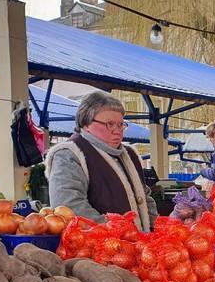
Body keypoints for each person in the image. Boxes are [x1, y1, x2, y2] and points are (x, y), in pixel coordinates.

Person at [46, 91, 158, 231]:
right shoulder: (69, 155)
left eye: (121, 124)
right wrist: (117, 232)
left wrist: (157, 229)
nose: (117, 131)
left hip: (141, 242)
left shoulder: (130, 154)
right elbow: (69, 206)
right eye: (110, 124)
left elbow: (144, 196)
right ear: (86, 123)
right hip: (97, 243)